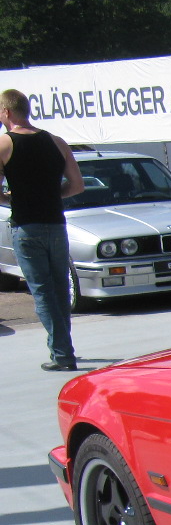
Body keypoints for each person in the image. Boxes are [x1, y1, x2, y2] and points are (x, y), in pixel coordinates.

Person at [0, 89, 85, 372]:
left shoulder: (5, 144)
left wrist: (11, 197)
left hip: (26, 225)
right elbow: (76, 186)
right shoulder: (56, 141)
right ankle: (65, 347)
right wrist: (49, 194)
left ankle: (62, 354)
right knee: (60, 289)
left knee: (42, 292)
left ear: (7, 112)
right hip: (56, 224)